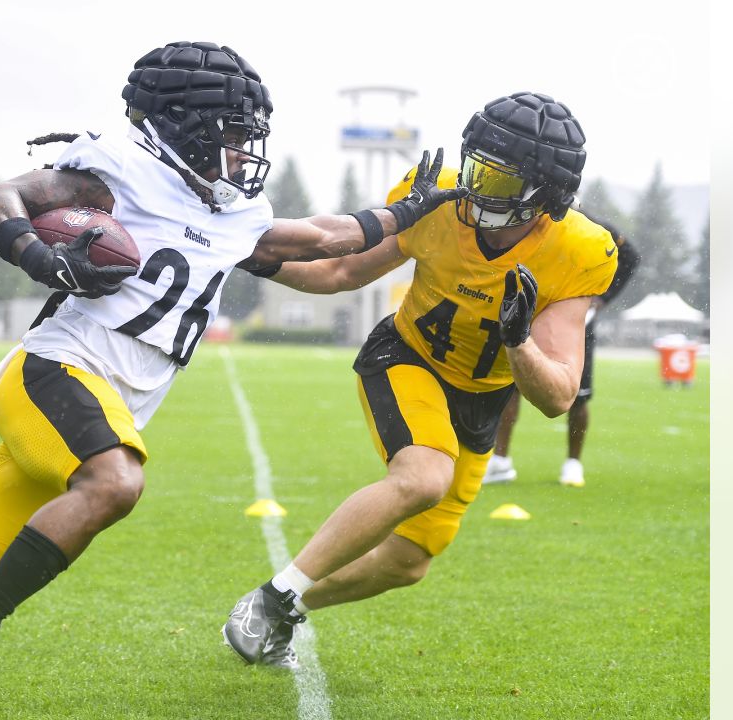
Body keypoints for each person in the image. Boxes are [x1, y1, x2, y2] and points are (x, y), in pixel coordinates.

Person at [0, 41, 463, 718]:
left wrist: (410, 220)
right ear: (184, 125)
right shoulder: (118, 169)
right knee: (115, 482)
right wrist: (36, 256)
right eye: (232, 132)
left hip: (101, 402)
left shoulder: (228, 211)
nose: (243, 151)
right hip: (59, 371)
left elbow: (328, 251)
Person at [221, 91, 619, 670]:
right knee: (425, 475)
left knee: (409, 561)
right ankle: (276, 596)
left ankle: (283, 605)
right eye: (477, 168)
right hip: (408, 358)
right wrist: (248, 256)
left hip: (481, 399)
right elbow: (339, 270)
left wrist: (518, 340)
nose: (477, 190)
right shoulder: (439, 201)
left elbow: (557, 395)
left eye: (500, 182)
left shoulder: (578, 251)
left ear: (545, 197)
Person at [484, 216, 640, 487]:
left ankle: (573, 462)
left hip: (572, 317)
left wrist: (601, 299)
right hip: (529, 311)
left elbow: (630, 257)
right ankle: (500, 460)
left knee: (577, 394)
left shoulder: (590, 228)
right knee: (510, 386)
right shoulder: (527, 220)